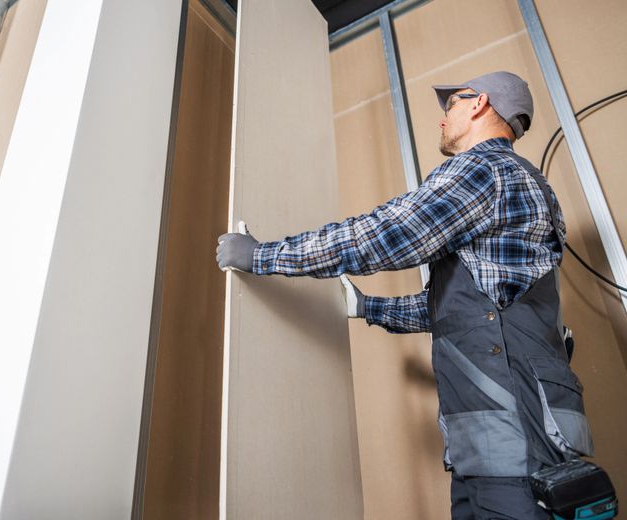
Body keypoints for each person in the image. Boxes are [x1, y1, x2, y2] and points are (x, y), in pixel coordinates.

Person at [216, 71, 594, 519]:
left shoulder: (485, 171)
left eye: (451, 104)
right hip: (501, 444)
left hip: (514, 448)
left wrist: (264, 256)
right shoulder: (528, 184)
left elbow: (386, 234)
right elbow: (475, 309)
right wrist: (369, 307)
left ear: (479, 104)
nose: (442, 119)